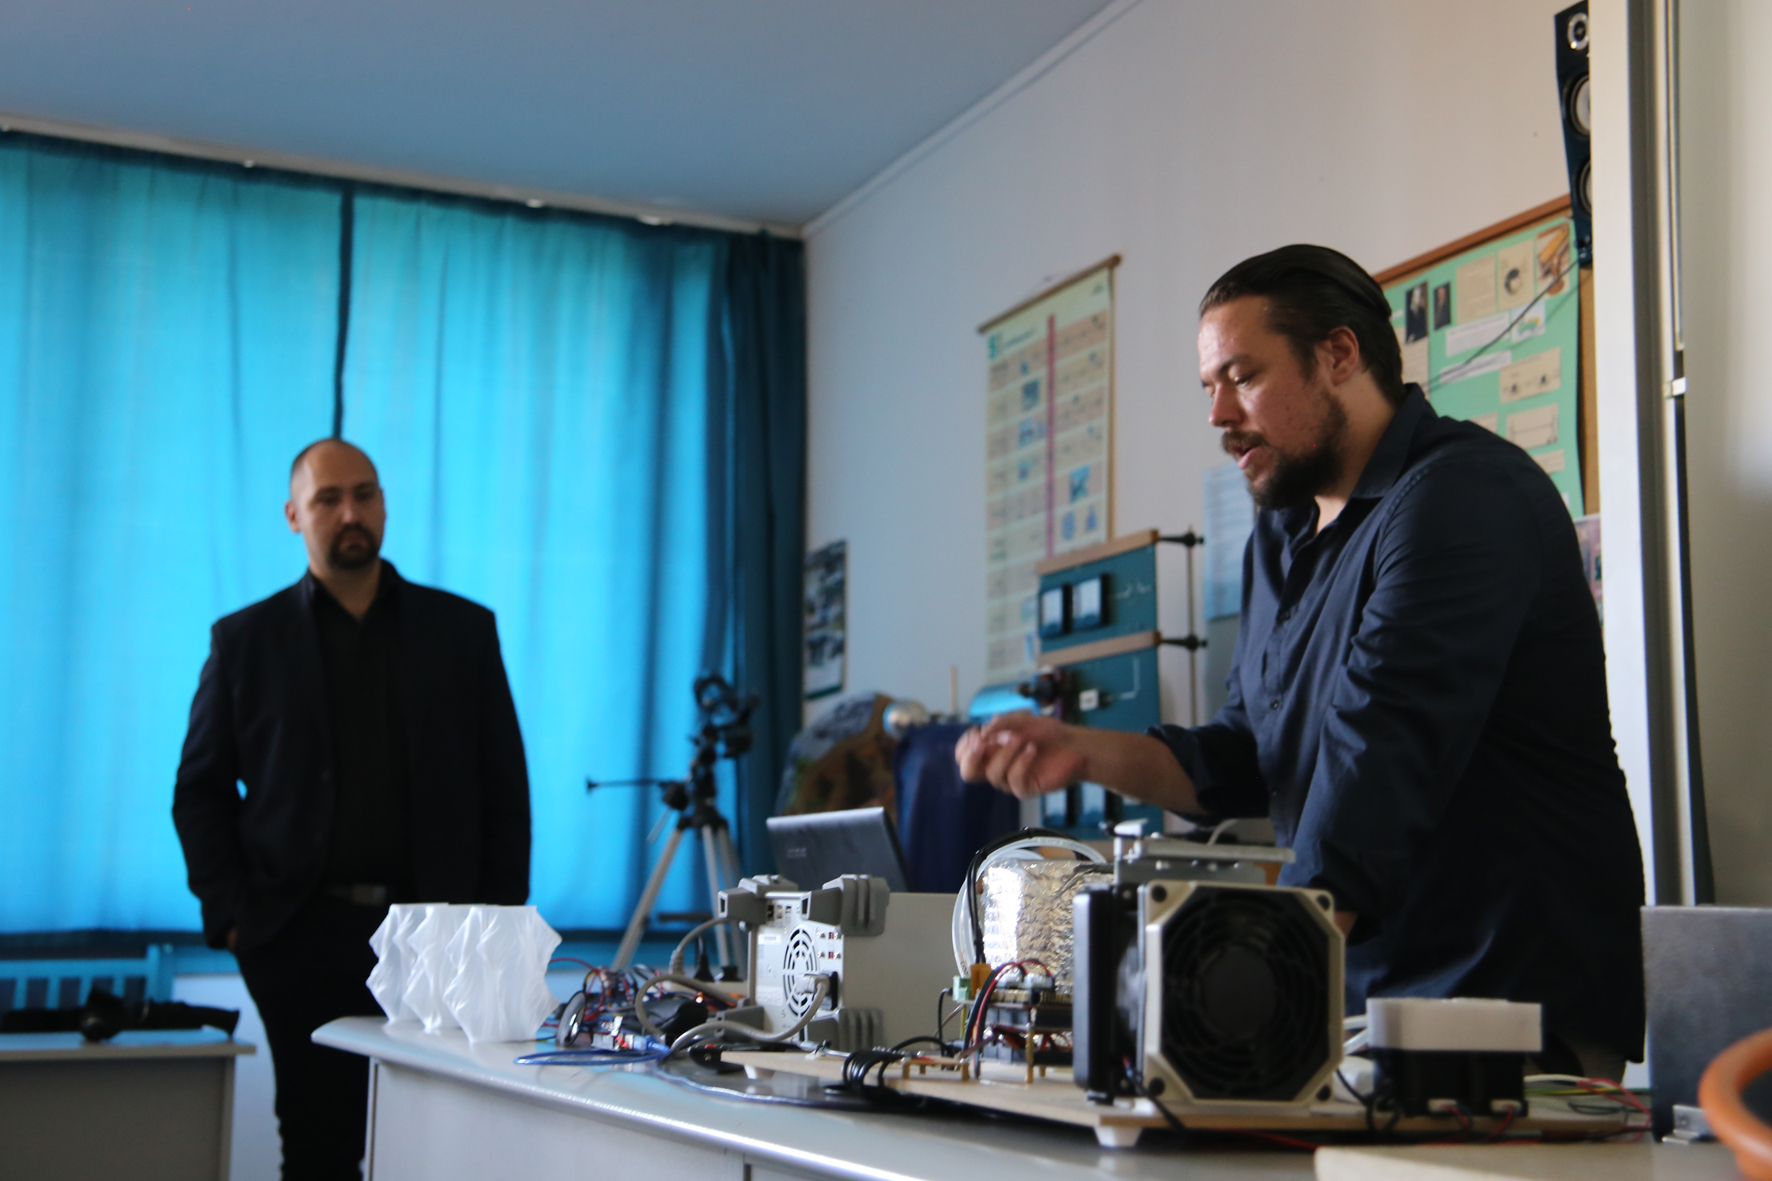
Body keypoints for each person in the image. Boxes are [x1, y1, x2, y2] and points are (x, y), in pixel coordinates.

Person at [957, 245, 1644, 1082]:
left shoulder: (1461, 494)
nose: (1219, 414)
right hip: (1364, 1005)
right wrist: (1086, 750)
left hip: (1509, 1010)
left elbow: (1378, 758)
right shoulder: (1282, 534)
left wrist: (1244, 995)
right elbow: (1252, 758)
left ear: (1339, 355)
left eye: (1242, 376)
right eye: (1208, 387)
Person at [173, 439, 531, 1180]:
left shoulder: (462, 630)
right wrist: (235, 916)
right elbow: (199, 791)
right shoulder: (244, 641)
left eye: (364, 494)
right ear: (294, 515)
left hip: (437, 935)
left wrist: (495, 924)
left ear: (384, 505)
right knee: (317, 1144)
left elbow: (504, 788)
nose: (349, 513)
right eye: (328, 498)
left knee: (442, 1145)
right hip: (297, 934)